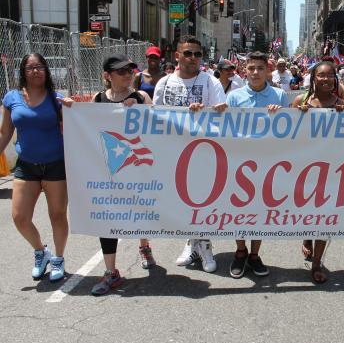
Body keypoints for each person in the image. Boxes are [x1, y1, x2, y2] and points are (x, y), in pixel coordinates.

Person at [72, 54, 155, 295]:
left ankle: (144, 245)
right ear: (107, 76)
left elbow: (159, 128)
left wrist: (139, 110)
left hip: (139, 169)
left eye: (130, 70)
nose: (128, 75)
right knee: (107, 219)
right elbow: (85, 125)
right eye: (121, 72)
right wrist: (70, 107)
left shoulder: (141, 97)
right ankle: (111, 272)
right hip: (108, 171)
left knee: (141, 211)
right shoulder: (97, 100)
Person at [153, 35, 227, 273]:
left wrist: (205, 110)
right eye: (187, 53)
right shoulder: (163, 84)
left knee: (202, 201)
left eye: (197, 54)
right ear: (177, 56)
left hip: (204, 153)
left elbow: (221, 113)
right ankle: (192, 243)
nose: (193, 58)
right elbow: (154, 117)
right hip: (173, 153)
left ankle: (204, 245)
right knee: (183, 203)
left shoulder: (210, 83)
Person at [0, 54, 71, 282]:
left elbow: (77, 126)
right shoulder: (12, 98)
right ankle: (41, 252)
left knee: (57, 215)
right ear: (23, 72)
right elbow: (5, 133)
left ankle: (58, 258)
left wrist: (73, 108)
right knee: (20, 216)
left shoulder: (55, 98)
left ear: (46, 71)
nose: (35, 71)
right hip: (26, 166)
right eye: (30, 68)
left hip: (55, 165)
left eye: (40, 67)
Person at [291, 60, 344, 283]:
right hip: (303, 167)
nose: (326, 79)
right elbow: (284, 131)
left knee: (323, 215)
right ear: (313, 78)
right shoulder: (301, 100)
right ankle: (306, 237)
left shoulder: (341, 102)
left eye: (330, 75)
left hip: (331, 168)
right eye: (321, 75)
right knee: (306, 211)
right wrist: (297, 114)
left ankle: (318, 262)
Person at [225, 51, 290, 279]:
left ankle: (254, 254)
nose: (255, 72)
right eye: (251, 68)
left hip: (268, 163)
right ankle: (240, 251)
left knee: (260, 211)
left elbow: (291, 130)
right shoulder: (234, 97)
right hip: (240, 164)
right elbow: (226, 129)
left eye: (260, 68)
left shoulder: (280, 95)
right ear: (245, 71)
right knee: (239, 211)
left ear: (268, 70)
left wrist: (282, 115)